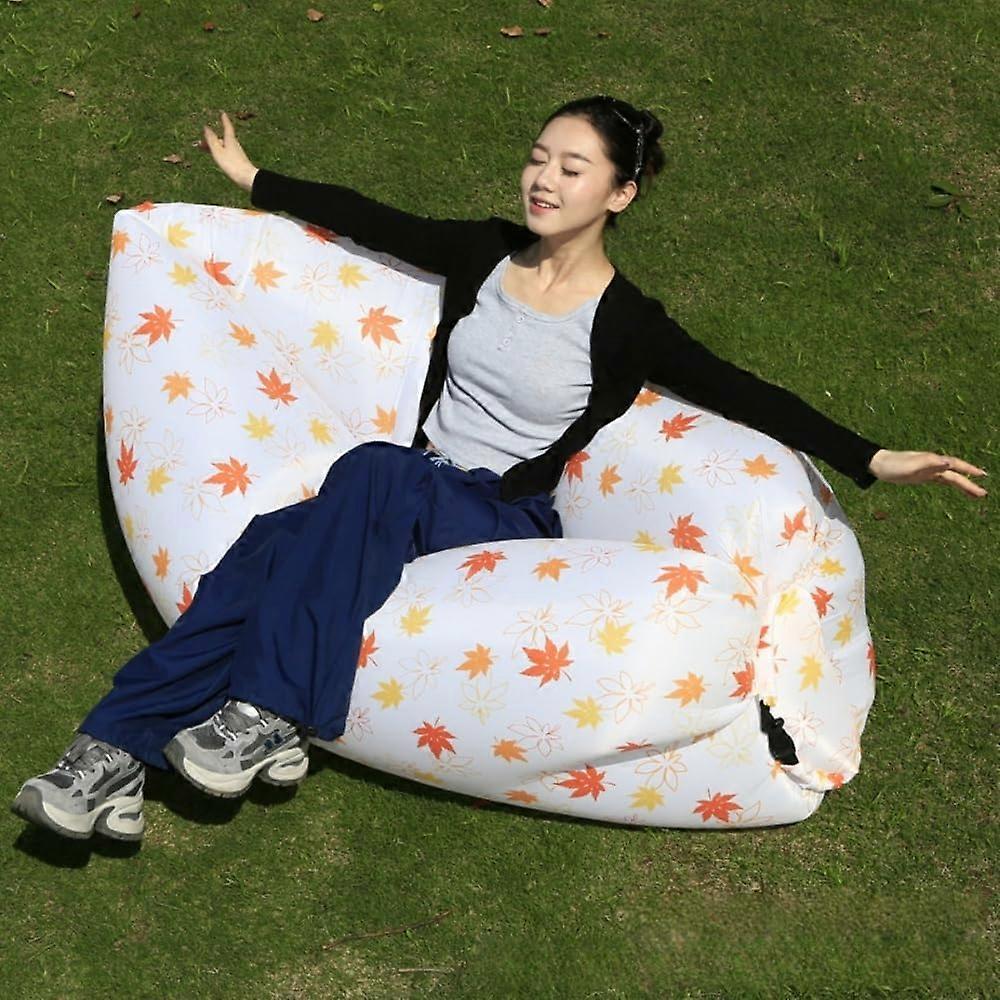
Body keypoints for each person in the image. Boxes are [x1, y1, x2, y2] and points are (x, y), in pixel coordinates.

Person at [12, 97, 987, 844]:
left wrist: (871, 456)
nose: (542, 179)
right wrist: (256, 177)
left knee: (372, 471)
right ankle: (105, 758)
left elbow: (743, 390)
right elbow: (374, 220)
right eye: (537, 157)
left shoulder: (626, 324)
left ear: (619, 194)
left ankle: (272, 711)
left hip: (501, 516)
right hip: (412, 488)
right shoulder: (485, 253)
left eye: (571, 167)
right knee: (273, 541)